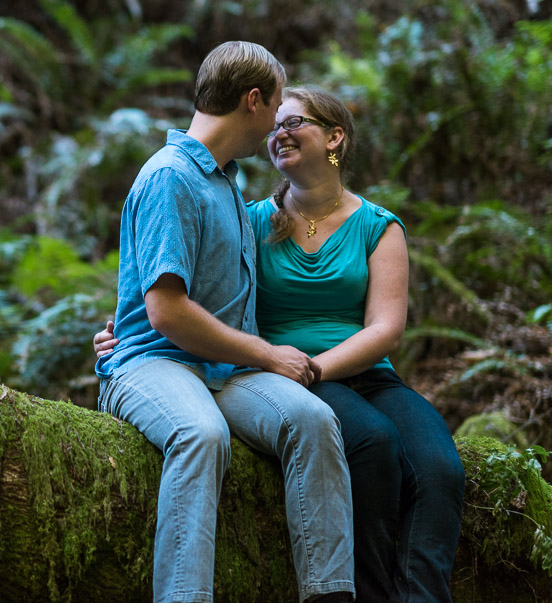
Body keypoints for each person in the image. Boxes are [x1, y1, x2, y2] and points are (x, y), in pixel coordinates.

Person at [96, 84, 465, 602]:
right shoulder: (247, 219)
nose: (279, 132)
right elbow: (185, 289)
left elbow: (385, 328)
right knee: (372, 444)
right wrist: (125, 330)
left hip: (358, 373)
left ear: (335, 137)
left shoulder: (378, 226)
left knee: (439, 468)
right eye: (276, 124)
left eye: (296, 122)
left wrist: (316, 367)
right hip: (278, 371)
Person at [94, 42, 355, 603]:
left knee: (313, 419)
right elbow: (166, 310)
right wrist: (266, 353)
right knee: (201, 433)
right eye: (278, 105)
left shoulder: (227, 184)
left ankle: (329, 593)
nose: (279, 122)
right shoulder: (170, 176)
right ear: (253, 101)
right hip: (150, 362)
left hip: (222, 372)